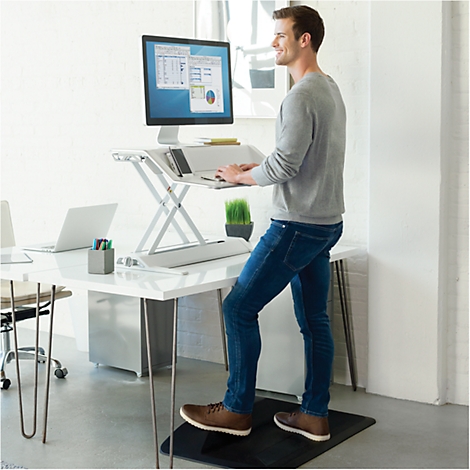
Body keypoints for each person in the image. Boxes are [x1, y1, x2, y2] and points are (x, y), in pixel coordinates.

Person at [180, 4, 346, 442]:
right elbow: (303, 158)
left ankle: (236, 410)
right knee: (314, 320)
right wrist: (258, 166)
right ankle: (314, 414)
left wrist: (240, 176)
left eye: (281, 35)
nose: (274, 42)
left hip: (296, 225)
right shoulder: (329, 89)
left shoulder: (302, 95)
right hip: (327, 222)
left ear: (303, 39)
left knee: (238, 307)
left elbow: (286, 166)